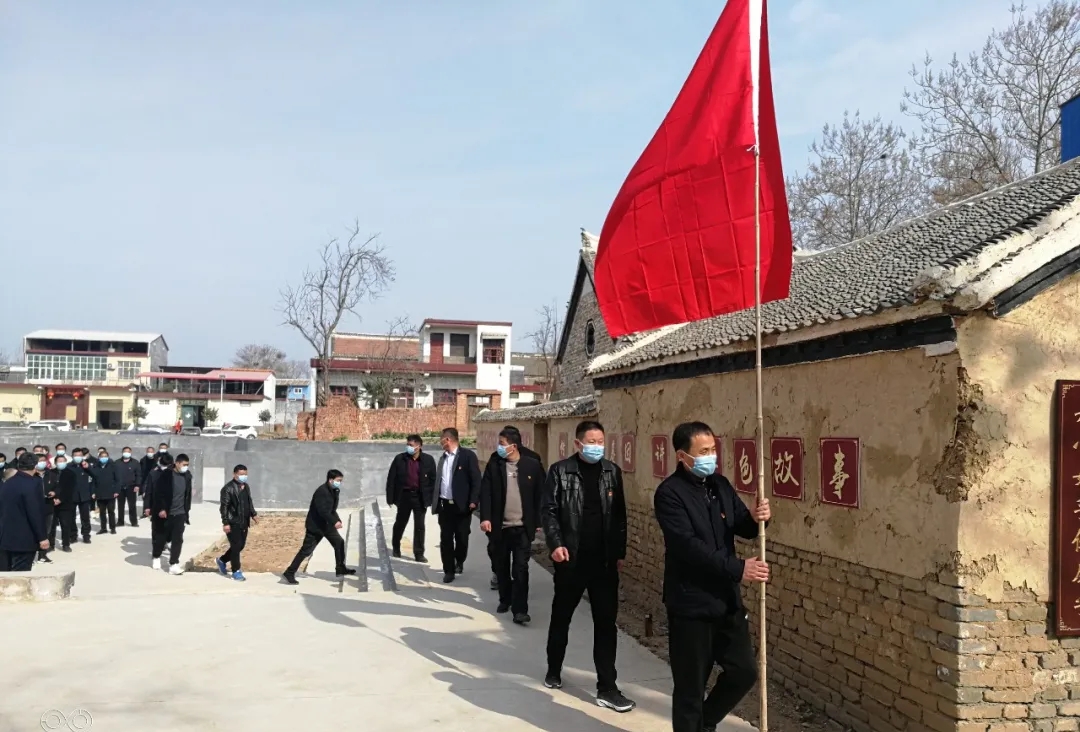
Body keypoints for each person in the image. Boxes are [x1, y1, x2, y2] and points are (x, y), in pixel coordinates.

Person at [654, 422, 772, 732]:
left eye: (713, 449)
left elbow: (743, 525)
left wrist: (758, 518)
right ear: (683, 456)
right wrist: (738, 568)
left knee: (744, 671)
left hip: (726, 601)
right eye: (703, 451)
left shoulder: (719, 485)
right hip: (691, 605)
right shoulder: (669, 494)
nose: (711, 456)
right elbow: (688, 547)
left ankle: (704, 723)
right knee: (690, 688)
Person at [540, 420, 635, 711]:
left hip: (603, 562)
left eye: (600, 441)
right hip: (571, 560)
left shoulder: (611, 472)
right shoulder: (560, 471)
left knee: (606, 624)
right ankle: (554, 668)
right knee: (562, 617)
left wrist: (619, 552)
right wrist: (556, 544)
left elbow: (619, 516)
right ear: (578, 443)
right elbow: (549, 511)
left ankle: (607, 687)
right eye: (591, 441)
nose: (597, 446)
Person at [480, 427, 545, 625]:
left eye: (502, 444)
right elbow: (486, 492)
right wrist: (485, 518)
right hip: (500, 527)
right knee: (501, 566)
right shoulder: (495, 464)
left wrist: (539, 521)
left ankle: (520, 610)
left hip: (523, 527)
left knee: (520, 568)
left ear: (513, 446)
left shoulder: (532, 465)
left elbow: (541, 494)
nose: (499, 447)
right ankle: (505, 599)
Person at [282, 469, 355, 585]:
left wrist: (337, 519)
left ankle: (340, 568)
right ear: (330, 480)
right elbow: (323, 511)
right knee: (306, 551)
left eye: (341, 481)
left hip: (326, 525)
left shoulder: (335, 490)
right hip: (316, 526)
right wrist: (334, 522)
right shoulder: (322, 492)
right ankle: (289, 572)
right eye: (338, 480)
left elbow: (332, 509)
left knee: (339, 543)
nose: (340, 483)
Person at [433, 427, 481, 584]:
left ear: (447, 439)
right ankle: (449, 570)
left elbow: (476, 480)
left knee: (462, 538)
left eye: (441, 439)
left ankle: (459, 560)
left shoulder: (467, 456)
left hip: (462, 506)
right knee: (446, 539)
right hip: (445, 505)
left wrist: (474, 500)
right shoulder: (443, 458)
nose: (440, 442)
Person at [387, 434, 436, 563]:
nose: (408, 447)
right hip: (404, 496)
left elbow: (433, 480)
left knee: (420, 525)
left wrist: (430, 498)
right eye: (407, 444)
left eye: (411, 445)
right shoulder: (400, 459)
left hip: (420, 497)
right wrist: (390, 498)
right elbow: (391, 479)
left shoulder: (428, 460)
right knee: (400, 522)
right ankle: (396, 546)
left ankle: (419, 553)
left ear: (419, 446)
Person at [0, 453, 50, 571]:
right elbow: (35, 512)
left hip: (5, 537)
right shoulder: (32, 485)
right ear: (35, 466)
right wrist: (42, 537)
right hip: (24, 539)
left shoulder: (7, 483)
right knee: (20, 574)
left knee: (5, 573)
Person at [150, 453, 193, 575]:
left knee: (178, 540)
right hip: (165, 513)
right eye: (184, 464)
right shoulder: (166, 475)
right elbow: (158, 493)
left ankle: (174, 564)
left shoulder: (187, 476)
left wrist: (186, 511)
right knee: (161, 537)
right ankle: (156, 556)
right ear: (177, 463)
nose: (186, 467)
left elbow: (187, 494)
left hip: (180, 513)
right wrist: (161, 509)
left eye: (187, 465)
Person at [217, 464, 259, 581]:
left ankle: (222, 560)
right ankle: (236, 571)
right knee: (236, 547)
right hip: (233, 522)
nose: (243, 476)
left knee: (240, 546)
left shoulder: (246, 487)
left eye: (245, 474)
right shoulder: (227, 489)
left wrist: (253, 514)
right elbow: (224, 507)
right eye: (241, 474)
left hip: (244, 522)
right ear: (234, 474)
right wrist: (225, 522)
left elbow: (249, 502)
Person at [48, 453, 77, 552]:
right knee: (51, 525)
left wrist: (60, 499)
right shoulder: (50, 473)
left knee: (65, 525)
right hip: (52, 502)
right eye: (59, 461)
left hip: (66, 503)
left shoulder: (71, 473)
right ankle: (51, 545)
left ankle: (66, 544)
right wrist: (53, 498)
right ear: (55, 463)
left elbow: (70, 489)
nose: (61, 463)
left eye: (63, 461)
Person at [90, 449, 120, 535]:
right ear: (99, 457)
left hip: (111, 492)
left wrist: (116, 491)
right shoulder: (96, 467)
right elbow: (93, 481)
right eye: (102, 456)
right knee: (102, 512)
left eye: (105, 456)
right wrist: (93, 492)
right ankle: (103, 528)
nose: (103, 458)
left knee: (111, 511)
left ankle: (112, 528)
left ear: (108, 457)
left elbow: (118, 480)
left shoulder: (113, 466)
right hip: (99, 493)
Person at [70, 448, 95, 543]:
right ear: (72, 456)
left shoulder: (86, 465)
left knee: (85, 517)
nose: (77, 457)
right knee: (71, 517)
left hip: (84, 495)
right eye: (75, 455)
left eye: (79, 455)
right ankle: (73, 535)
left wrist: (88, 468)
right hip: (72, 495)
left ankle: (86, 535)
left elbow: (96, 475)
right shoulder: (68, 467)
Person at [37, 451, 57, 563]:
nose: (42, 463)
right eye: (40, 461)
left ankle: (42, 555)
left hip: (48, 506)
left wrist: (55, 492)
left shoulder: (51, 474)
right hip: (34, 507)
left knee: (46, 531)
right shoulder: (31, 476)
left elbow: (58, 487)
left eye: (44, 461)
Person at [115, 446, 141, 527]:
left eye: (128, 451)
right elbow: (114, 475)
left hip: (131, 487)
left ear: (131, 452)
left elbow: (138, 475)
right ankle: (120, 521)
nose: (126, 453)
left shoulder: (135, 463)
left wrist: (137, 485)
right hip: (120, 487)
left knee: (132, 505)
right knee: (120, 505)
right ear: (122, 452)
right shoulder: (117, 463)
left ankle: (134, 522)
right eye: (125, 451)